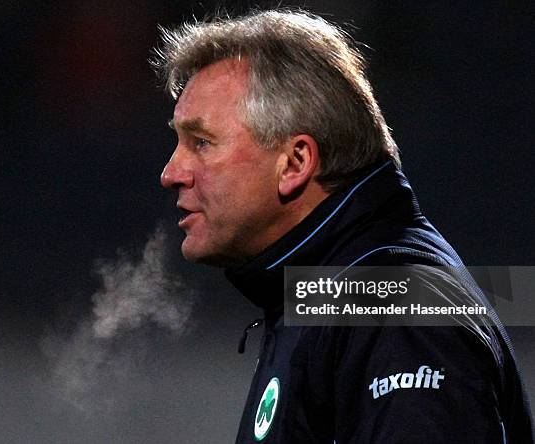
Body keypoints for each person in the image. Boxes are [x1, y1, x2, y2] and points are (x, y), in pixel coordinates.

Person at [153, 9, 533, 443]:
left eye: (201, 142)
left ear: (295, 162)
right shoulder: (329, 297)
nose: (172, 172)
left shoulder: (396, 311)